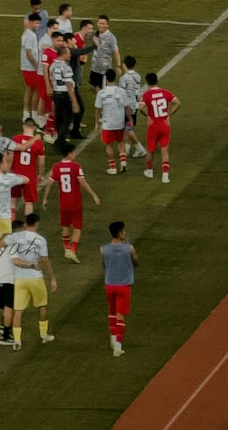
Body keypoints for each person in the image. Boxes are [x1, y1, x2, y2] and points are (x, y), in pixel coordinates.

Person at [42, 141, 100, 262]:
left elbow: (49, 184)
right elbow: (83, 183)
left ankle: (66, 249)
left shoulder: (56, 167)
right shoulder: (76, 166)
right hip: (75, 202)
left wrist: (45, 198)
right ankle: (72, 251)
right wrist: (94, 195)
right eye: (73, 153)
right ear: (69, 154)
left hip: (63, 203)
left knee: (65, 226)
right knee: (77, 227)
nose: (75, 155)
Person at [7, 212, 57, 349]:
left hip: (20, 280)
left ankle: (17, 341)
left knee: (18, 311)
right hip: (36, 279)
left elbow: (15, 260)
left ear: (25, 224)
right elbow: (45, 260)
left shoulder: (15, 238)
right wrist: (52, 278)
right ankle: (43, 334)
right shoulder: (41, 240)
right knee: (42, 306)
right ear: (36, 224)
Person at [0, 152, 27, 275]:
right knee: (5, 241)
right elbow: (25, 180)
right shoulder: (8, 178)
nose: (7, 164)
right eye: (6, 162)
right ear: (0, 164)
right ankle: (2, 268)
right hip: (4, 216)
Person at [101, 221, 138, 356]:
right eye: (124, 231)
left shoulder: (103, 249)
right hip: (123, 286)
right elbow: (136, 262)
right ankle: (118, 346)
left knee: (111, 311)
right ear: (120, 233)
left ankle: (112, 339)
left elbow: (104, 264)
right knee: (120, 315)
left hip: (109, 285)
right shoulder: (130, 248)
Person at [138, 73, 180, 182]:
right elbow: (177, 103)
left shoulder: (147, 95)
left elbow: (141, 107)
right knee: (164, 150)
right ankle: (165, 176)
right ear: (157, 81)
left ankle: (149, 171)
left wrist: (148, 116)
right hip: (164, 125)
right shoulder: (166, 92)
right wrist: (168, 115)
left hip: (153, 126)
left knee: (151, 150)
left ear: (147, 83)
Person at [10, 115, 46, 226]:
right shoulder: (38, 143)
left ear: (23, 126)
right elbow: (41, 162)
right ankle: (28, 224)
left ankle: (11, 219)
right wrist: (40, 174)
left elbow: (9, 157)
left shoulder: (15, 139)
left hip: (15, 173)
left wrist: (9, 171)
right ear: (34, 128)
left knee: (12, 198)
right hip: (30, 175)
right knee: (28, 202)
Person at [95, 70, 131, 175]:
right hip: (119, 122)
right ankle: (123, 162)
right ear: (115, 78)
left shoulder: (101, 93)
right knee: (121, 142)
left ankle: (113, 167)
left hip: (107, 124)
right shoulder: (121, 91)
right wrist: (130, 119)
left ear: (106, 78)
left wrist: (97, 123)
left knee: (109, 145)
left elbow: (97, 109)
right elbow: (127, 107)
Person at [47, 42, 80, 147]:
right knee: (67, 119)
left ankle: (59, 139)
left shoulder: (52, 65)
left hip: (56, 94)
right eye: (68, 53)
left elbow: (52, 81)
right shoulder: (66, 67)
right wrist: (74, 101)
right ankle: (60, 142)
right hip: (65, 95)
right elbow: (69, 86)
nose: (70, 54)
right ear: (63, 53)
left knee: (59, 118)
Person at [120, 54, 144, 157]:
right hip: (134, 104)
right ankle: (127, 148)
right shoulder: (137, 76)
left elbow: (122, 93)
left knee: (127, 128)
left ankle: (139, 148)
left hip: (127, 106)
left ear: (125, 65)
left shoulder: (124, 78)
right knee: (128, 127)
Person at [89, 16, 121, 92]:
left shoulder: (111, 37)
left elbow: (116, 52)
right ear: (97, 23)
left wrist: (118, 65)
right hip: (94, 67)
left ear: (107, 25)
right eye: (100, 23)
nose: (101, 25)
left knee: (102, 90)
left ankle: (101, 103)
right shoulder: (95, 34)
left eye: (104, 24)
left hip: (104, 70)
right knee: (95, 88)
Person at [20, 13, 43, 119]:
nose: (38, 25)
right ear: (30, 22)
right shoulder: (30, 35)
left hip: (26, 67)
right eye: (36, 23)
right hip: (30, 68)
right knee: (36, 89)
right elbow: (29, 54)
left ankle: (26, 113)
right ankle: (33, 113)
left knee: (29, 89)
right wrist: (37, 65)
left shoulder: (27, 34)